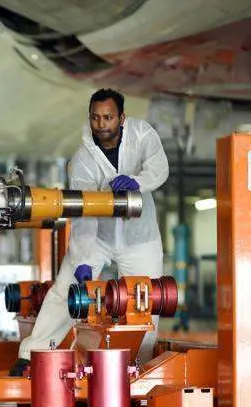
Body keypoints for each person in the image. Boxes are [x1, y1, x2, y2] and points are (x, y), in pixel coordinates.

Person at [11, 88, 169, 375]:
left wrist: (136, 181)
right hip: (98, 237)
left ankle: (139, 365)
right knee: (65, 290)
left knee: (145, 299)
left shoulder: (142, 134)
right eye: (96, 118)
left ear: (122, 118)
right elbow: (83, 213)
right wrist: (83, 258)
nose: (101, 124)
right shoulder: (82, 159)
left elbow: (159, 168)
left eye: (108, 117)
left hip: (140, 238)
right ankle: (30, 355)